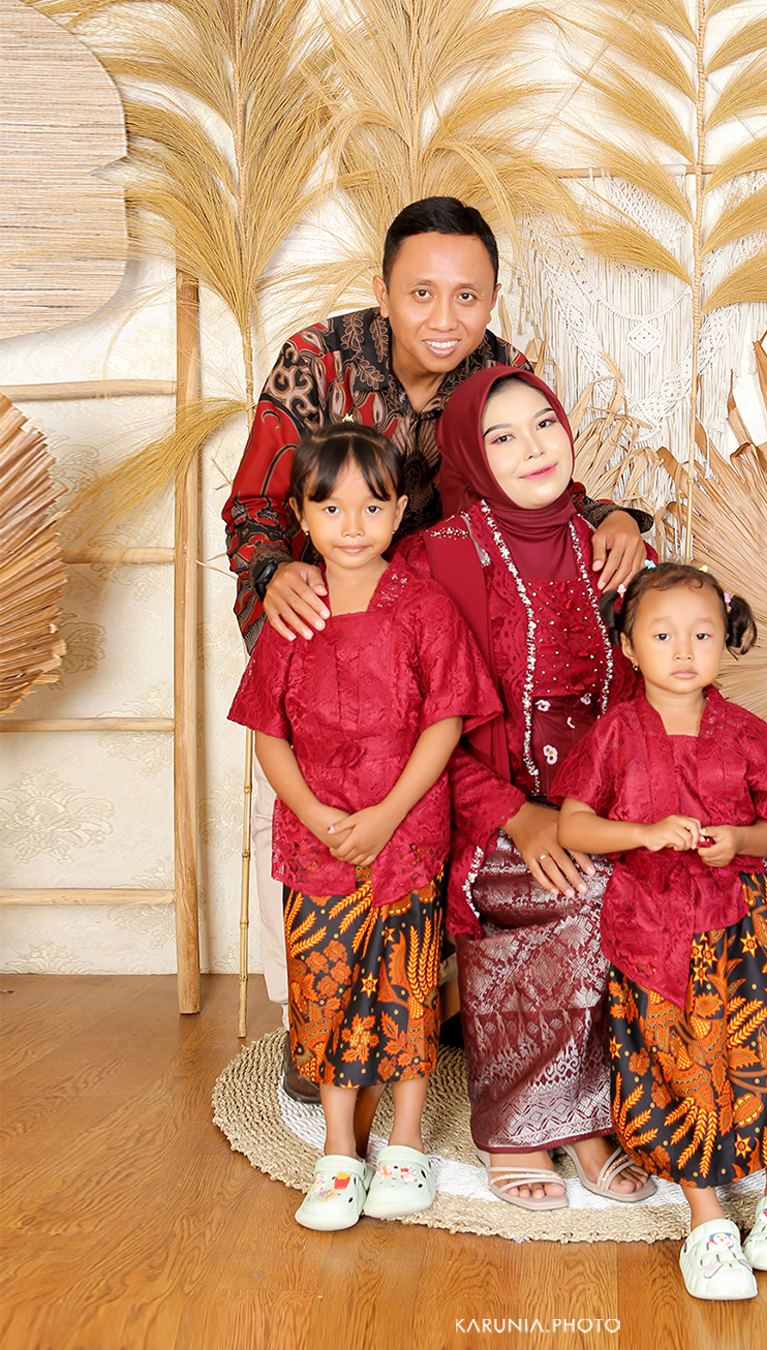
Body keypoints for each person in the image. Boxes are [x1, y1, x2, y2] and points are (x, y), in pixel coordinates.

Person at [224, 197, 651, 1099]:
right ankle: (316, 1018)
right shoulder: (315, 362)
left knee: (431, 803)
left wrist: (615, 514)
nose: (445, 317)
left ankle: (436, 1001)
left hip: (440, 623)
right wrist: (273, 574)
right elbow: (255, 506)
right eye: (421, 293)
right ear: (384, 291)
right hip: (321, 617)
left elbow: (535, 480)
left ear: (492, 297)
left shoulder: (500, 372)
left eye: (468, 295)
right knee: (313, 815)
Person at [228, 425, 502, 1231]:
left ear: (400, 509)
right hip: (315, 843)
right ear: (301, 517)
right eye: (331, 508)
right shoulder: (293, 612)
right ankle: (338, 1151)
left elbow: (445, 721)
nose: (353, 526)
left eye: (373, 507)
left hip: (405, 834)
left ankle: (407, 1144)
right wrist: (315, 813)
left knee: (406, 988)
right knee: (326, 988)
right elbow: (268, 733)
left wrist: (386, 815)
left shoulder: (423, 606)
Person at [397, 367, 656, 1208]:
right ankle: (536, 1126)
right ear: (472, 456)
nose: (533, 448)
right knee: (569, 886)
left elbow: (659, 690)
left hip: (608, 807)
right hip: (487, 810)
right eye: (501, 437)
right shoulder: (435, 559)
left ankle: (622, 1110)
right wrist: (517, 815)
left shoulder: (615, 548)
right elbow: (415, 726)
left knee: (675, 879)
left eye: (544, 424)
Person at [554, 563, 767, 1298]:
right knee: (671, 1053)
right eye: (663, 635)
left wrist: (740, 840)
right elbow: (575, 825)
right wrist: (641, 831)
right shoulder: (615, 734)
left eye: (702, 635)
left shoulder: (751, 734)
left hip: (744, 920)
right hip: (651, 923)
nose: (683, 650)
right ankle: (706, 1218)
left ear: (726, 640)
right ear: (629, 646)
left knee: (763, 1041)